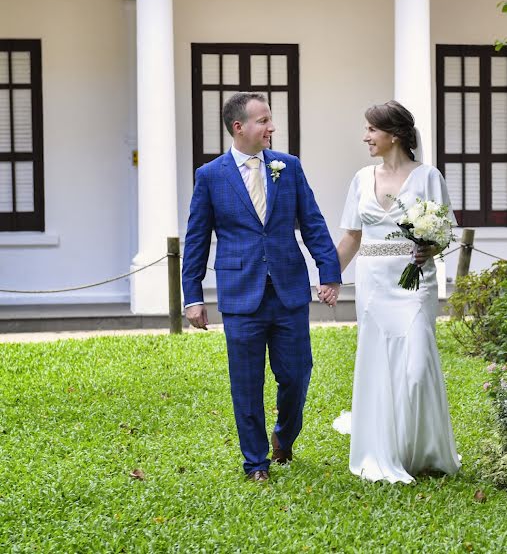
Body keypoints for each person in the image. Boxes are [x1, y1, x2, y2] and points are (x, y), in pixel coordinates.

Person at [182, 92, 341, 483]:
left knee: (297, 374)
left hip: (287, 289)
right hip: (240, 294)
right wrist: (193, 296)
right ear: (240, 127)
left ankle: (284, 436)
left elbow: (314, 223)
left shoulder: (288, 167)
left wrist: (329, 272)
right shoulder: (210, 176)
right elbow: (197, 239)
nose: (272, 127)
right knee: (247, 383)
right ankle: (255, 462)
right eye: (264, 120)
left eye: (270, 120)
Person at [332, 100, 461, 483]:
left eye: (372, 129)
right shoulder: (360, 178)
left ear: (395, 134)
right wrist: (329, 278)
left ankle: (420, 449)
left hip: (414, 281)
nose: (365, 136)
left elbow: (444, 233)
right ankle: (385, 452)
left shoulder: (428, 177)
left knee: (417, 369)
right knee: (379, 365)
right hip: (373, 283)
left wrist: (430, 246)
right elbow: (351, 237)